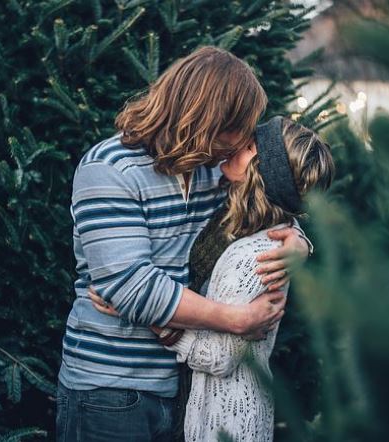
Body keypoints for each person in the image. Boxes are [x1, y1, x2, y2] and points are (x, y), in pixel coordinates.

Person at [56, 47, 312, 442]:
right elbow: (133, 289)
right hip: (111, 389)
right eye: (238, 127)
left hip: (184, 385)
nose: (244, 139)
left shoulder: (212, 169)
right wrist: (236, 320)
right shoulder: (109, 168)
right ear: (204, 117)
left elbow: (268, 200)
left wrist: (298, 241)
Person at [165, 116, 334, 441]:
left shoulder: (259, 256)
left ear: (264, 173)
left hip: (227, 417)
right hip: (205, 403)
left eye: (250, 146)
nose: (236, 145)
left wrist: (152, 318)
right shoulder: (235, 215)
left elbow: (220, 357)